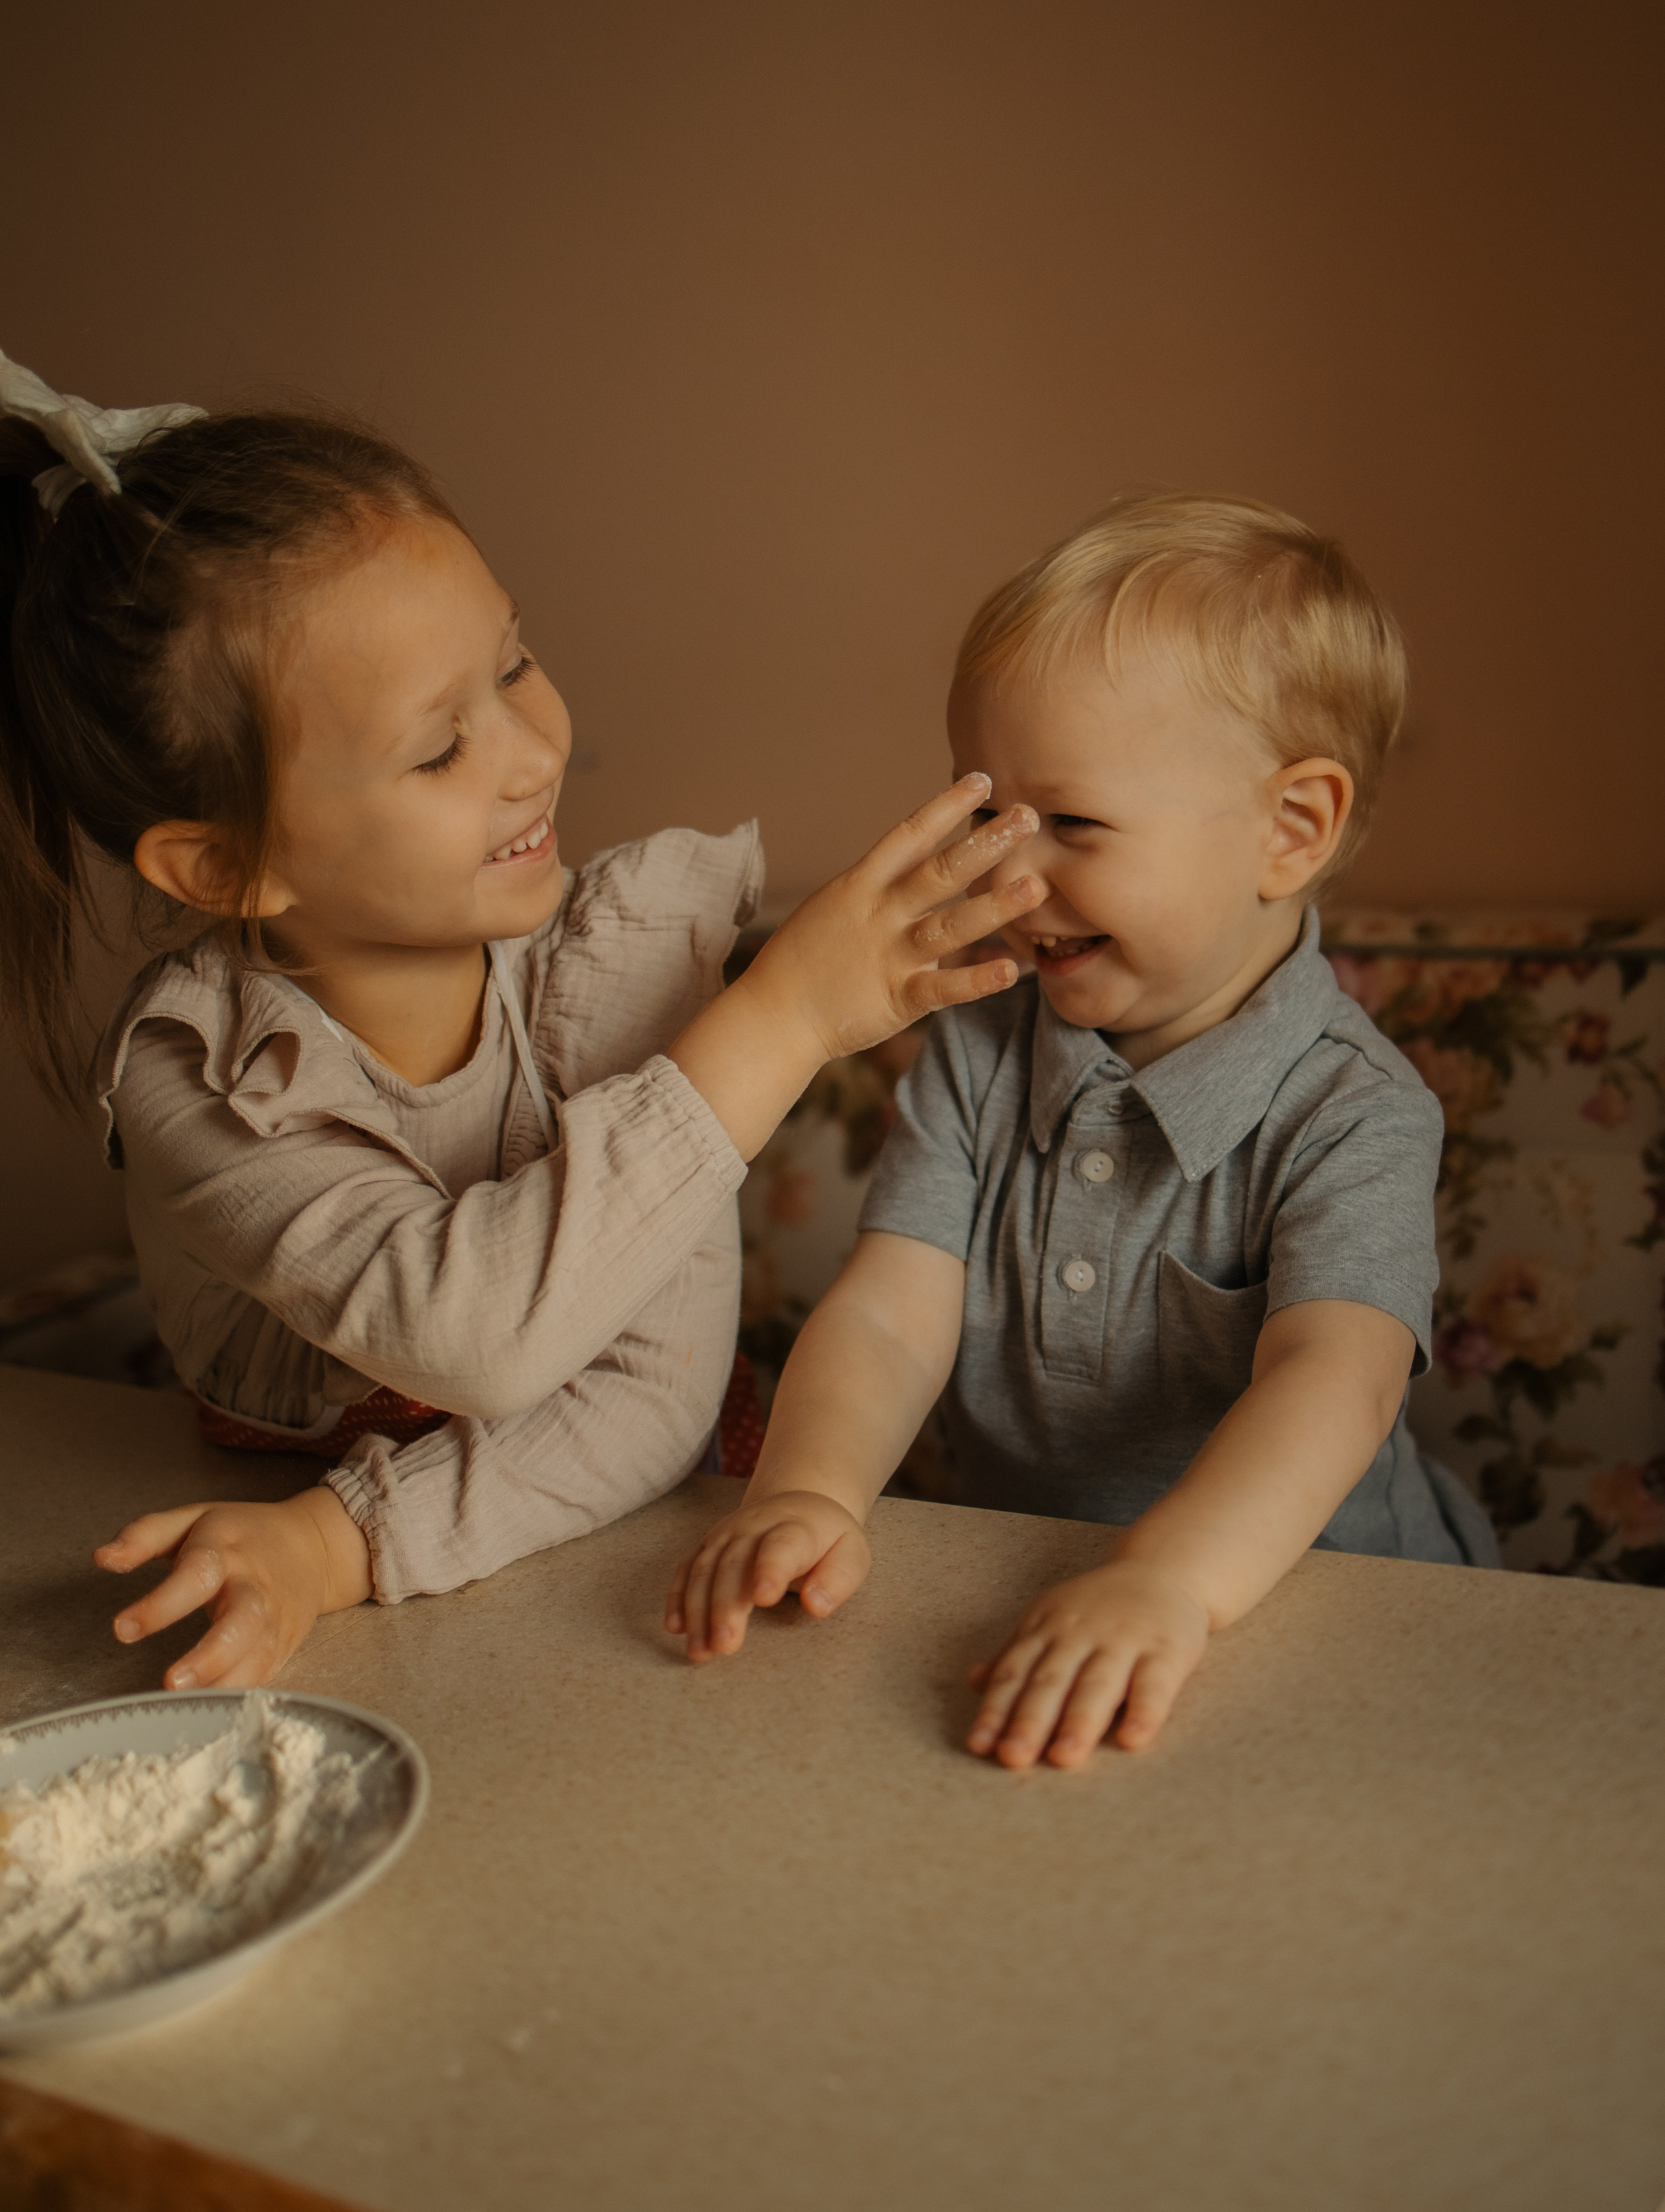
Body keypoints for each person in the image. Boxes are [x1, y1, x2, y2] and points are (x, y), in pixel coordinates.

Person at [0, 345, 1044, 1691]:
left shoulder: (615, 965)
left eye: (516, 661)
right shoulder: (201, 1078)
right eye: (440, 746)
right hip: (388, 1623)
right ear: (225, 866)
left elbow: (650, 1391)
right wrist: (781, 1020)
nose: (538, 752)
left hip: (646, 1564)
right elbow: (473, 1338)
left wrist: (335, 1542)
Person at [667, 492, 1500, 1766]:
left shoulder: (1354, 1111)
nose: (1010, 878)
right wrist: (806, 1489)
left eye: (1072, 824)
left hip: (1332, 1621)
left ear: (1290, 831)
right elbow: (891, 1312)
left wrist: (1167, 1580)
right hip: (1041, 1595)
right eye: (987, 818)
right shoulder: (979, 1044)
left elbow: (1333, 1379)